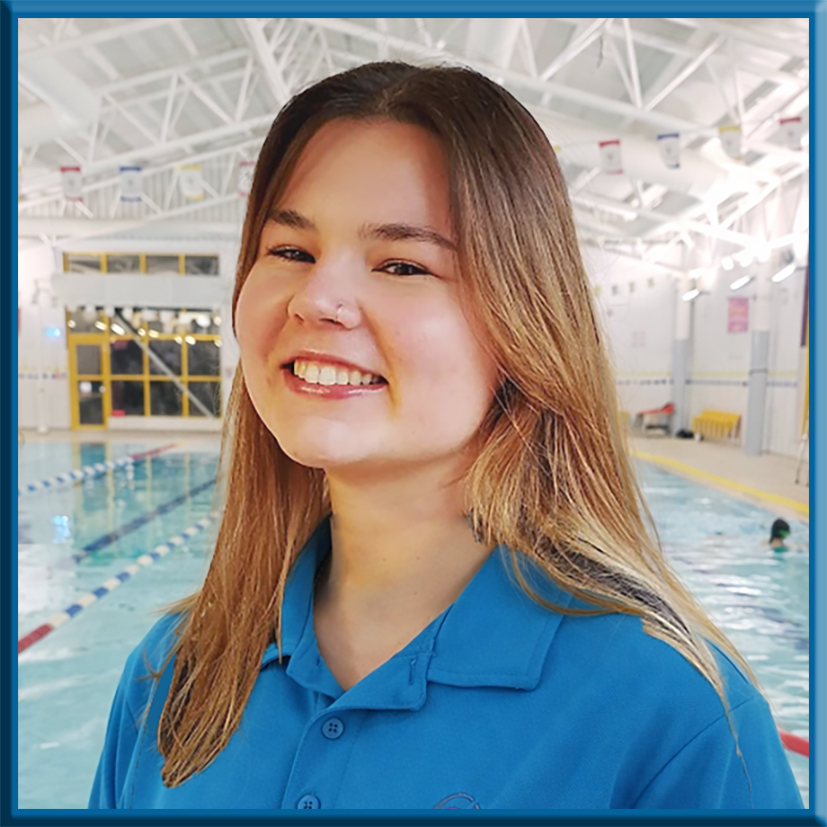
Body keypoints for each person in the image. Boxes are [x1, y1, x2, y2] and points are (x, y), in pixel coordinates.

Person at [89, 62, 803, 810]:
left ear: (523, 325)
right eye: (290, 251)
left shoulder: (674, 716)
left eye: (402, 264)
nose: (317, 298)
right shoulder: (174, 672)